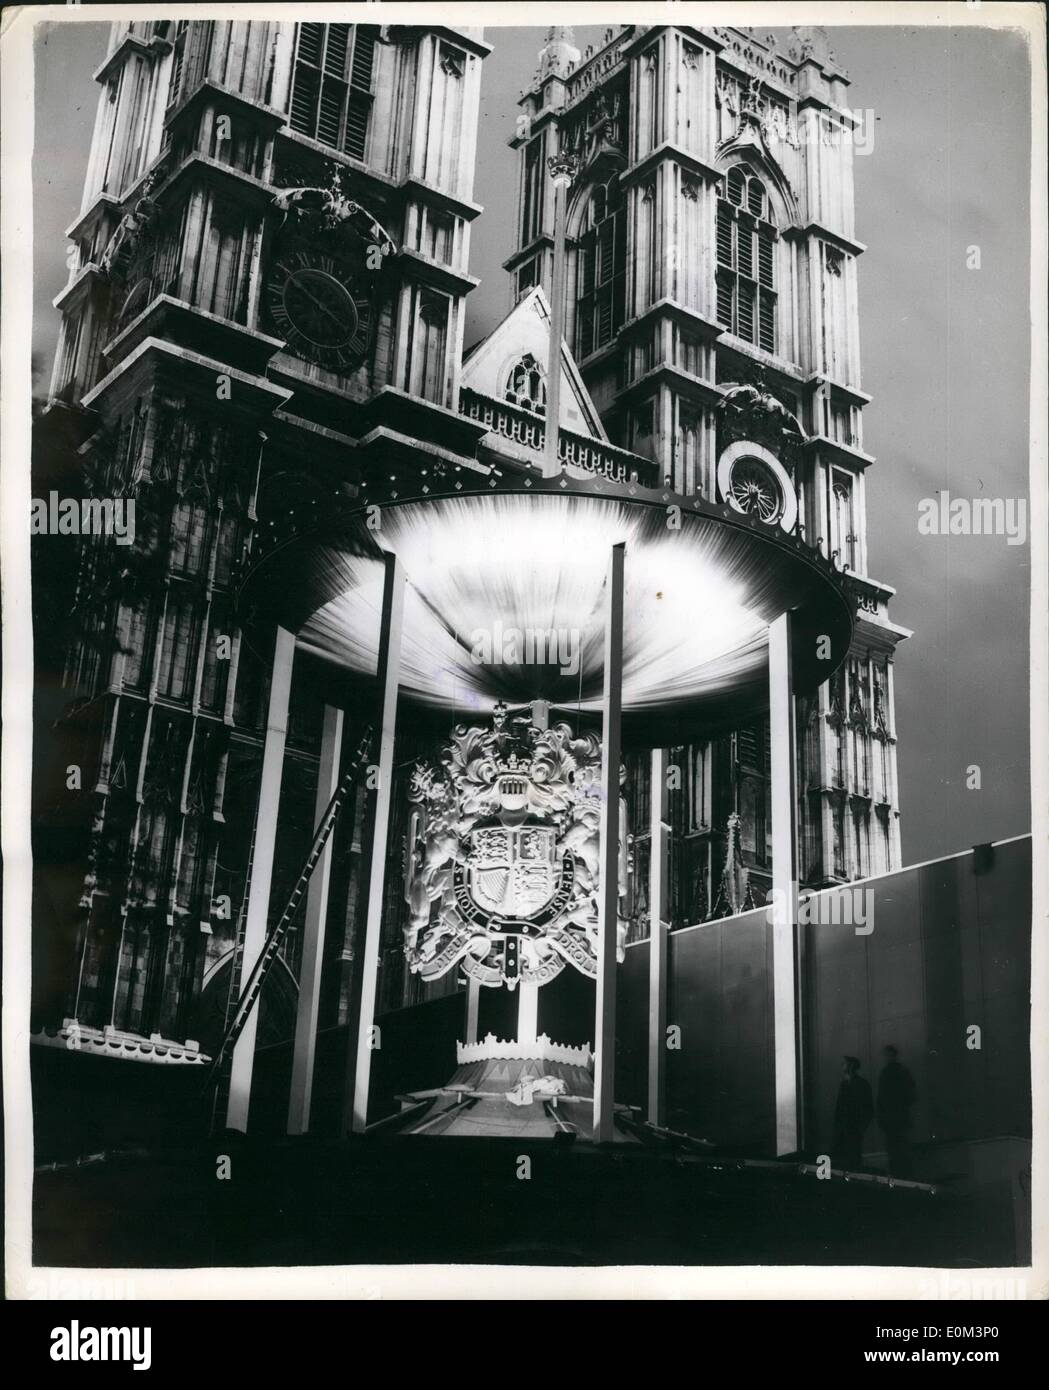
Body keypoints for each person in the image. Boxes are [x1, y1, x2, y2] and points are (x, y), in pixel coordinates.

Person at [877, 1044, 917, 1178]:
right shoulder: (902, 1071)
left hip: (891, 1119)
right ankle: (905, 1173)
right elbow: (912, 1095)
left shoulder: (886, 1073)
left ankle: (897, 1174)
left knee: (893, 1148)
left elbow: (881, 1097)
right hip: (900, 1117)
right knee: (901, 1147)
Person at [833, 1055, 873, 1171]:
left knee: (852, 1156)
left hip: (852, 1126)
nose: (842, 1066)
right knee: (851, 1155)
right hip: (849, 1126)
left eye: (844, 1063)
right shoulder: (850, 1084)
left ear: (850, 1066)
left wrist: (861, 1126)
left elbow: (867, 1108)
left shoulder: (851, 1084)